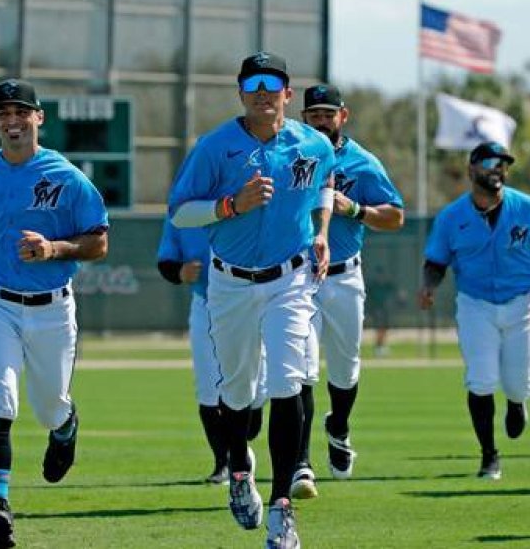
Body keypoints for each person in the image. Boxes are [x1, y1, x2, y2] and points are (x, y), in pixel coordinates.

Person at [168, 51, 335, 549]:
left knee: (287, 380)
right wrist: (230, 205)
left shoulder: (314, 144)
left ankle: (282, 509)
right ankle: (240, 464)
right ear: (241, 92)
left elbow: (324, 182)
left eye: (273, 83)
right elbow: (180, 214)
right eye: (253, 83)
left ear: (288, 92)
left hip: (290, 278)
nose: (263, 91)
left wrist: (322, 231)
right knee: (237, 389)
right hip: (231, 282)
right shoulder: (215, 147)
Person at [0, 79, 110, 549]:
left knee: (50, 404)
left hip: (52, 308)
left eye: (21, 112)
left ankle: (65, 427)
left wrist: (55, 247)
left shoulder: (66, 176)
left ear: (39, 118)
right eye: (3, 113)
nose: (12, 121)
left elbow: (99, 241)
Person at [418, 141, 530, 481]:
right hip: (475, 304)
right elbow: (436, 262)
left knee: (518, 384)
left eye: (502, 164)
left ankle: (516, 402)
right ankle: (489, 455)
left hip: (521, 302)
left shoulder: (528, 208)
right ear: (471, 170)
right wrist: (428, 286)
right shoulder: (452, 216)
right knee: (481, 380)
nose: (496, 170)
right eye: (488, 163)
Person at [289, 84, 404, 499]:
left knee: (344, 367)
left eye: (328, 113)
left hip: (343, 275)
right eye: (314, 113)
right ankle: (300, 462)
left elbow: (395, 216)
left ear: (343, 116)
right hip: (299, 275)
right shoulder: (292, 153)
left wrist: (353, 208)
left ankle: (338, 426)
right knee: (301, 368)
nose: (321, 120)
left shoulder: (362, 163)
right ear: (303, 117)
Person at [156, 218, 268, 485]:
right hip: (206, 304)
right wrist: (179, 272)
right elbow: (166, 261)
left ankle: (240, 442)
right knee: (208, 388)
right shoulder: (183, 212)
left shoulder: (243, 203)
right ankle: (223, 463)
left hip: (250, 300)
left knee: (257, 391)